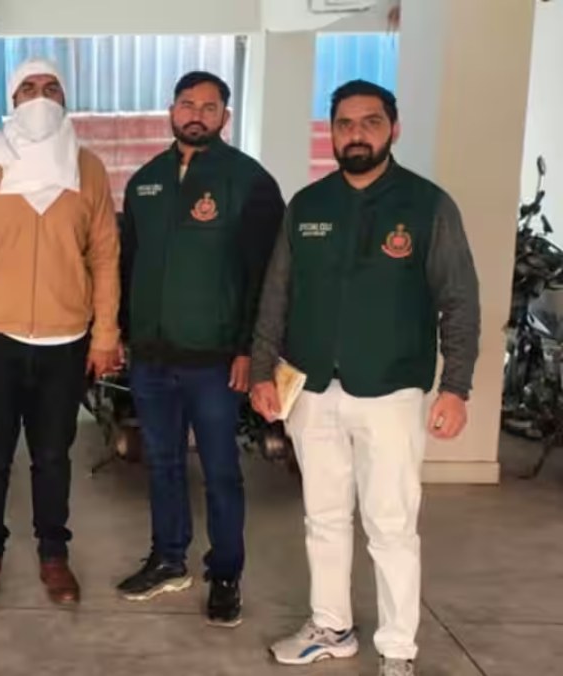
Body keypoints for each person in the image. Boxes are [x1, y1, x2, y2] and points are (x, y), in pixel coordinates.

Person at [250, 80, 480, 676]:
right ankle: (331, 627)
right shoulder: (308, 205)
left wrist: (456, 386)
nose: (356, 134)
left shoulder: (428, 206)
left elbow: (459, 300)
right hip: (312, 390)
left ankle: (398, 650)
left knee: (392, 525)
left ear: (393, 129)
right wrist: (261, 370)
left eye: (370, 122)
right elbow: (276, 295)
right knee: (323, 517)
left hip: (390, 391)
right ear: (331, 132)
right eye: (345, 123)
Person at [0, 58, 121, 606]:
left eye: (51, 88)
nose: (40, 97)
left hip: (66, 341)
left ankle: (54, 555)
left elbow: (105, 255)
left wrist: (105, 334)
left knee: (53, 456)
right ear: (12, 100)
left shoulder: (87, 168)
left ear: (65, 97)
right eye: (29, 89)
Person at [116, 71, 285, 627]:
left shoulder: (250, 182)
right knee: (162, 464)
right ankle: (168, 559)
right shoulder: (145, 182)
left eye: (209, 107)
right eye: (187, 104)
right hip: (152, 358)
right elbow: (128, 266)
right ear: (172, 110)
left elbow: (266, 277)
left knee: (220, 472)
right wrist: (125, 333)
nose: (196, 115)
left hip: (216, 361)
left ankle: (226, 573)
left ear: (225, 118)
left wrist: (249, 351)